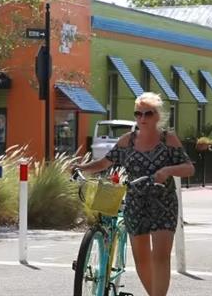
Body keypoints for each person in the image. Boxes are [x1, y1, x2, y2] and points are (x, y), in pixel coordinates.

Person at [73, 92, 194, 296]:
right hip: (135, 203)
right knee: (142, 259)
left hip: (163, 203)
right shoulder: (126, 142)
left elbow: (189, 168)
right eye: (138, 113)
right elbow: (105, 162)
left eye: (148, 113)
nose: (142, 118)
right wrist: (82, 167)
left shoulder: (168, 140)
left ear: (157, 116)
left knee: (161, 257)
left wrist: (167, 171)